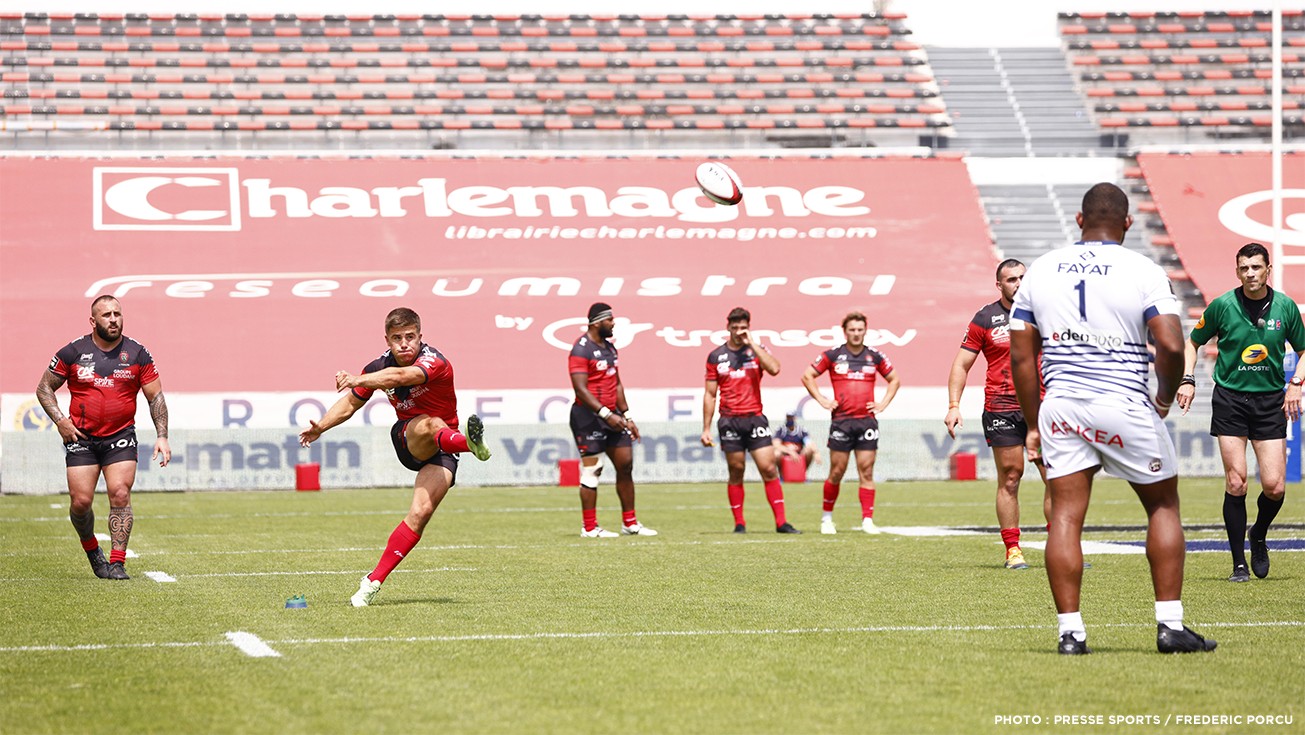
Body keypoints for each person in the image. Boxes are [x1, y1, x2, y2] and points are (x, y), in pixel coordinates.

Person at [1010, 182, 1215, 655]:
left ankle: (1070, 633)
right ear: (1127, 223)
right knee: (1162, 506)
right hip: (1123, 400)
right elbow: (1167, 344)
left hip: (1063, 405)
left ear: (1078, 221)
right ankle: (1170, 625)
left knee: (1065, 515)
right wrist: (1163, 396)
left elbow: (1022, 356)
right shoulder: (1143, 268)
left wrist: (1035, 421)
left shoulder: (1042, 269)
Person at [299, 307, 491, 607]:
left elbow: (403, 376)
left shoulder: (435, 361)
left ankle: (371, 582)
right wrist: (321, 427)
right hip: (410, 437)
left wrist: (356, 378)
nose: (404, 344)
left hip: (444, 449)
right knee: (431, 423)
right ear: (387, 340)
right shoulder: (378, 366)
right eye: (397, 338)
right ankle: (470, 444)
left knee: (420, 515)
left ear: (420, 337)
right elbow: (350, 404)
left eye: (410, 337)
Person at [1175, 242, 1304, 583]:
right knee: (1236, 481)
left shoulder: (1285, 308)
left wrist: (1296, 383)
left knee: (1275, 486)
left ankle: (1258, 534)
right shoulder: (1222, 306)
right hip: (1230, 399)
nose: (1250, 273)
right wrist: (1187, 379)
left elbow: (1304, 349)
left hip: (1269, 402)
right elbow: (1193, 342)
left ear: (1267, 270)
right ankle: (1238, 565)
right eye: (1244, 268)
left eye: (1256, 267)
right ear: (1237, 272)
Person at [35, 295, 171, 581]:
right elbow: (44, 388)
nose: (113, 319)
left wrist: (162, 435)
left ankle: (118, 562)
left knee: (120, 493)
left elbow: (155, 397)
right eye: (106, 315)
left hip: (120, 435)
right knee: (80, 502)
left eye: (117, 314)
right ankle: (93, 550)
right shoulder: (73, 351)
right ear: (93, 321)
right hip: (81, 437)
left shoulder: (137, 353)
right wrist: (60, 421)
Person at [944, 259, 1051, 570]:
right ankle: (1013, 549)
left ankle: (1062, 544)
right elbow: (962, 364)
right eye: (1011, 279)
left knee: (1056, 479)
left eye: (1022, 278)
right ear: (999, 285)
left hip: (1043, 407)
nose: (1018, 284)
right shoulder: (986, 317)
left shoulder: (1047, 311)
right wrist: (954, 405)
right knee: (1011, 477)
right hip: (1001, 406)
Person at [701, 307, 800, 534]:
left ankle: (781, 522)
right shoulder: (716, 356)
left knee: (768, 468)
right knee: (736, 470)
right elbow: (710, 394)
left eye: (743, 327)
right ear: (728, 327)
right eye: (734, 327)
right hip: (729, 420)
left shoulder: (757, 351)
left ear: (749, 327)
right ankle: (739, 523)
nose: (738, 331)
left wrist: (752, 344)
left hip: (755, 418)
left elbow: (775, 368)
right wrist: (706, 428)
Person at [802, 312, 899, 535]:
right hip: (842, 422)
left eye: (860, 329)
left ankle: (867, 521)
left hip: (866, 422)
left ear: (866, 330)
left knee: (866, 472)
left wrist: (883, 404)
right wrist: (823, 400)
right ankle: (827, 519)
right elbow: (807, 376)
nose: (856, 334)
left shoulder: (875, 356)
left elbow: (895, 379)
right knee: (837, 471)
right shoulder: (833, 355)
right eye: (852, 330)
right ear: (844, 331)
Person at [568, 302, 656, 538]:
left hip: (614, 417)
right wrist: (607, 414)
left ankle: (630, 523)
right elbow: (580, 389)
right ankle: (589, 527)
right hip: (588, 419)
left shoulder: (610, 348)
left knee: (626, 465)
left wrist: (626, 415)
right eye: (610, 320)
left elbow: (616, 383)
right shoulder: (581, 349)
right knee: (593, 470)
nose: (613, 323)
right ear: (597, 322)